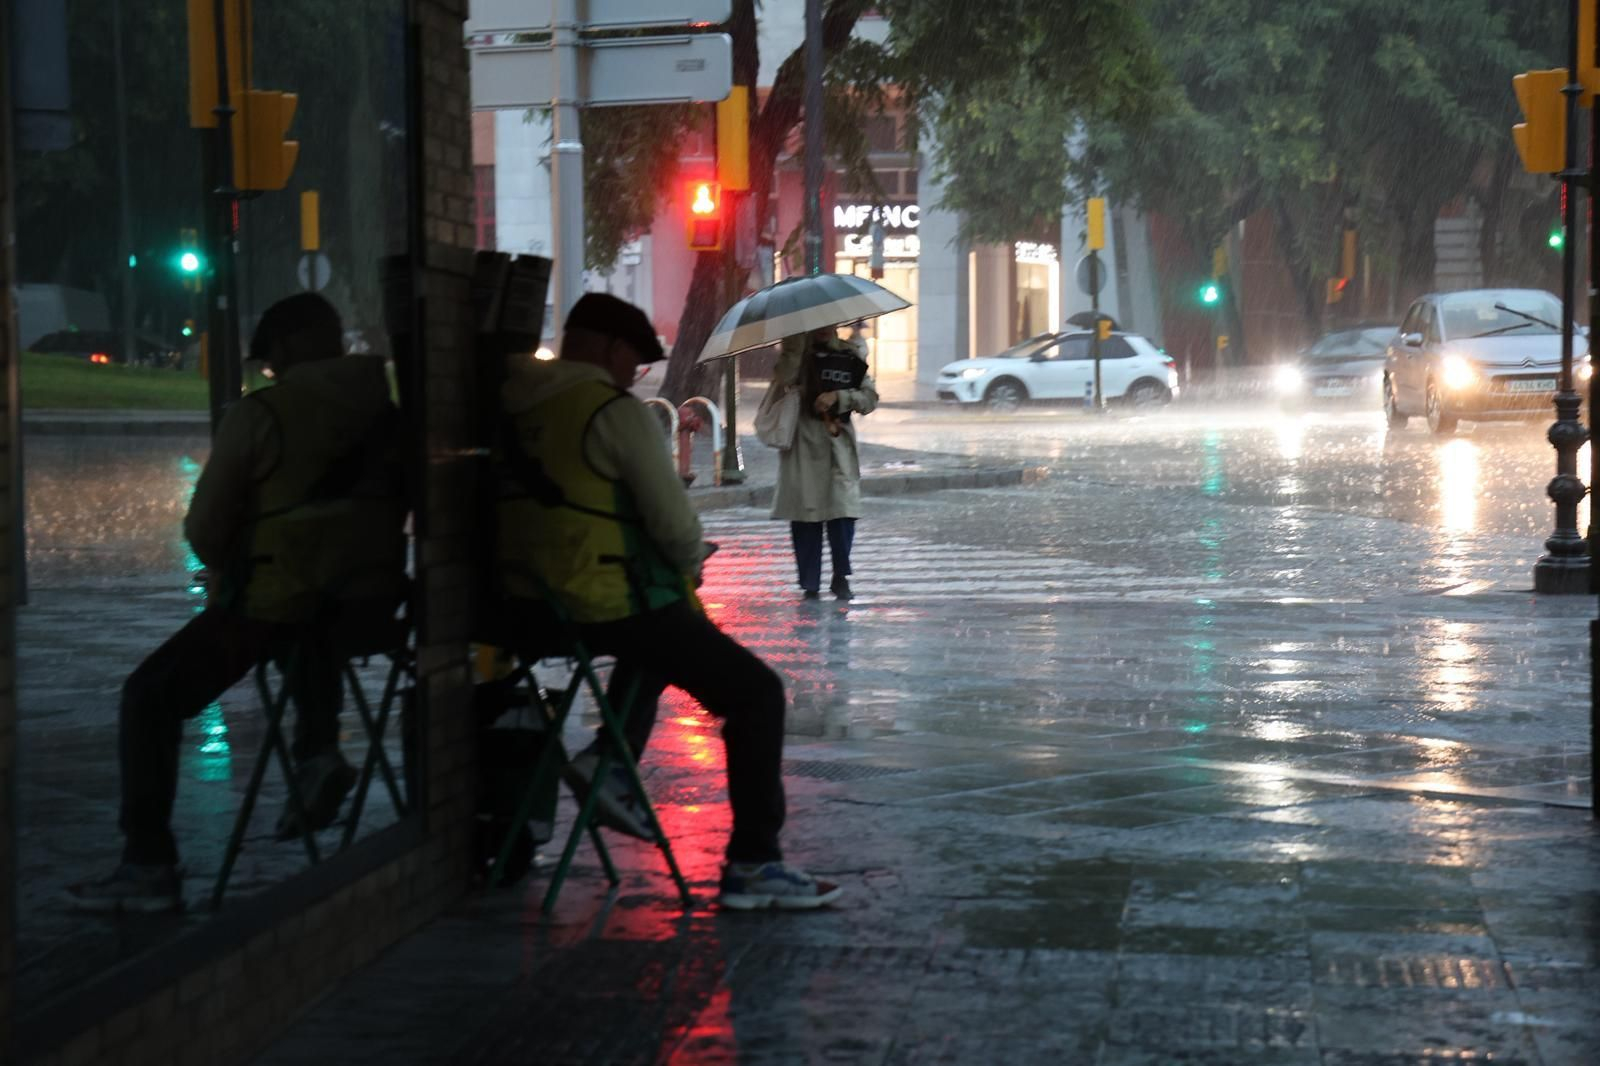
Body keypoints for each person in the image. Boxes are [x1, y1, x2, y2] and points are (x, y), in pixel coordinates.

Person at [495, 292, 841, 909]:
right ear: (609, 348)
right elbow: (677, 530)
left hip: (522, 606)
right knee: (757, 693)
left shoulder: (507, 404)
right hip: (602, 602)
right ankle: (754, 863)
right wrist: (689, 557)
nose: (635, 377)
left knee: (664, 636)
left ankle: (613, 759)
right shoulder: (610, 410)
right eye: (633, 363)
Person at [67, 294, 407, 913]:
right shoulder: (389, 416)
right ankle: (317, 751)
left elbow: (204, 530)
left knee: (147, 697)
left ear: (290, 346)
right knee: (310, 628)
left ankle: (148, 865)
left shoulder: (262, 416)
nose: (270, 374)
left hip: (274, 606)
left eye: (270, 362)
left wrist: (232, 561)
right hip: (366, 608)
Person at [767, 326, 878, 600]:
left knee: (843, 511)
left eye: (829, 324)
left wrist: (840, 397)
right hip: (803, 444)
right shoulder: (796, 356)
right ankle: (810, 583)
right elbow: (782, 381)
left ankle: (841, 575)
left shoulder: (849, 355)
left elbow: (869, 398)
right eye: (817, 325)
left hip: (838, 445)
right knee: (806, 515)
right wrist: (794, 347)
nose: (823, 329)